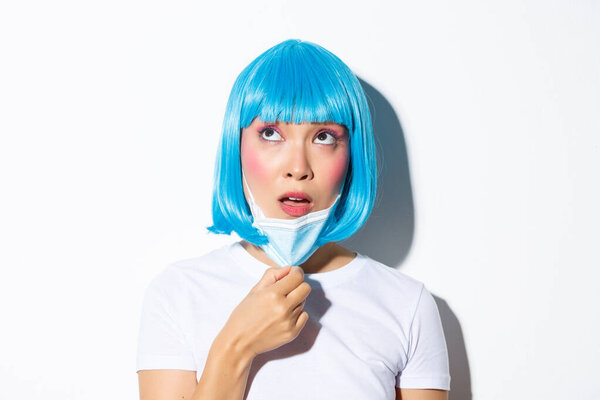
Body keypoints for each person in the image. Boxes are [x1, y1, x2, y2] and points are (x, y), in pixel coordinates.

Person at [136, 39, 451, 400]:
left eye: (323, 137)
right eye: (271, 134)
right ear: (235, 146)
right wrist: (236, 345)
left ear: (352, 155)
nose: (298, 168)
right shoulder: (178, 293)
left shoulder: (407, 305)